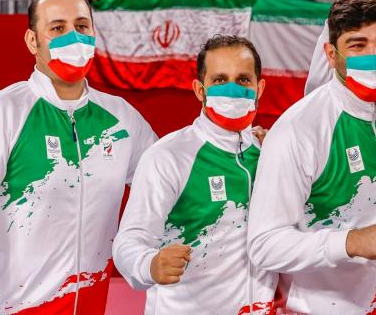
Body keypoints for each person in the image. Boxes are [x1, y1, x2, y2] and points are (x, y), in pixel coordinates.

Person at [0, 0, 156, 315]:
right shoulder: (1, 114)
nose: (73, 37)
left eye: (82, 26)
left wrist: (246, 144)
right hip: (9, 308)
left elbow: (172, 181)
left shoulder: (121, 118)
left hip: (89, 304)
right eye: (57, 28)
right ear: (32, 41)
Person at [247, 0, 376, 314]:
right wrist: (351, 242)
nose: (374, 56)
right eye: (357, 45)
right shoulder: (298, 129)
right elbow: (264, 246)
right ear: (331, 54)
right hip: (318, 307)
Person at [113, 35, 275, 314]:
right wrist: (149, 264)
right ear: (200, 90)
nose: (233, 90)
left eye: (244, 80)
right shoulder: (168, 156)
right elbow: (129, 240)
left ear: (259, 87)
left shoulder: (271, 154)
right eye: (220, 80)